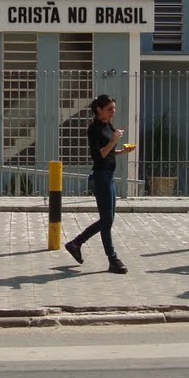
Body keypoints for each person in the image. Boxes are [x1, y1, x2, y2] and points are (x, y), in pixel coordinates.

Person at [64, 94, 132, 274]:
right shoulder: (93, 129)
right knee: (107, 219)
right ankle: (112, 258)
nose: (113, 112)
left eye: (114, 109)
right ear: (98, 110)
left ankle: (76, 243)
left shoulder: (108, 125)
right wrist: (114, 140)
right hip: (100, 177)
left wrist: (120, 151)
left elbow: (107, 152)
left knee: (107, 219)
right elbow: (98, 155)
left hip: (109, 175)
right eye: (109, 109)